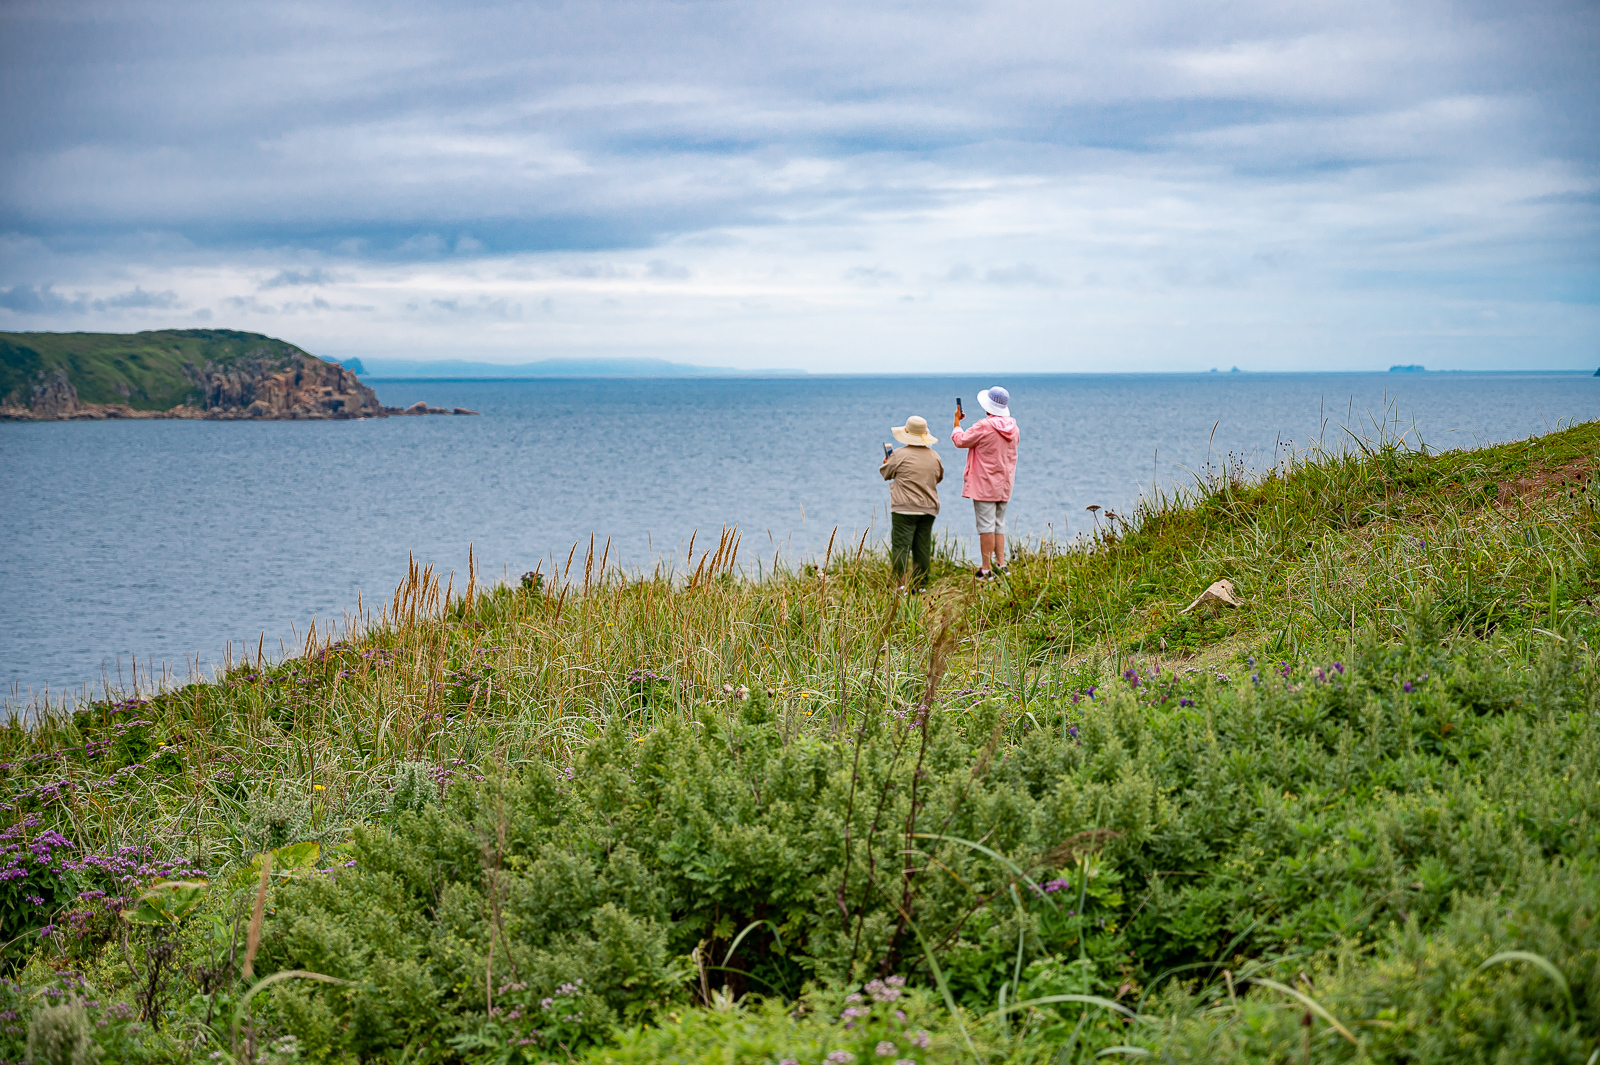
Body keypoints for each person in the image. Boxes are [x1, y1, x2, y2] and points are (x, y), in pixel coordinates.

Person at [950, 386, 1018, 579]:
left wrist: (956, 423)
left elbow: (960, 441)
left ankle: (986, 569)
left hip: (984, 483)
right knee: (999, 525)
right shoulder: (1014, 427)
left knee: (986, 527)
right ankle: (1002, 565)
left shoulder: (984, 425)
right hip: (1004, 482)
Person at [879, 414, 944, 590]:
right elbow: (938, 477)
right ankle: (920, 585)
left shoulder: (899, 455)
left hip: (904, 509)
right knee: (922, 547)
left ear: (907, 433)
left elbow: (886, 474)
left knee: (901, 547)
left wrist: (887, 462)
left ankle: (899, 585)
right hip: (929, 508)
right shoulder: (934, 456)